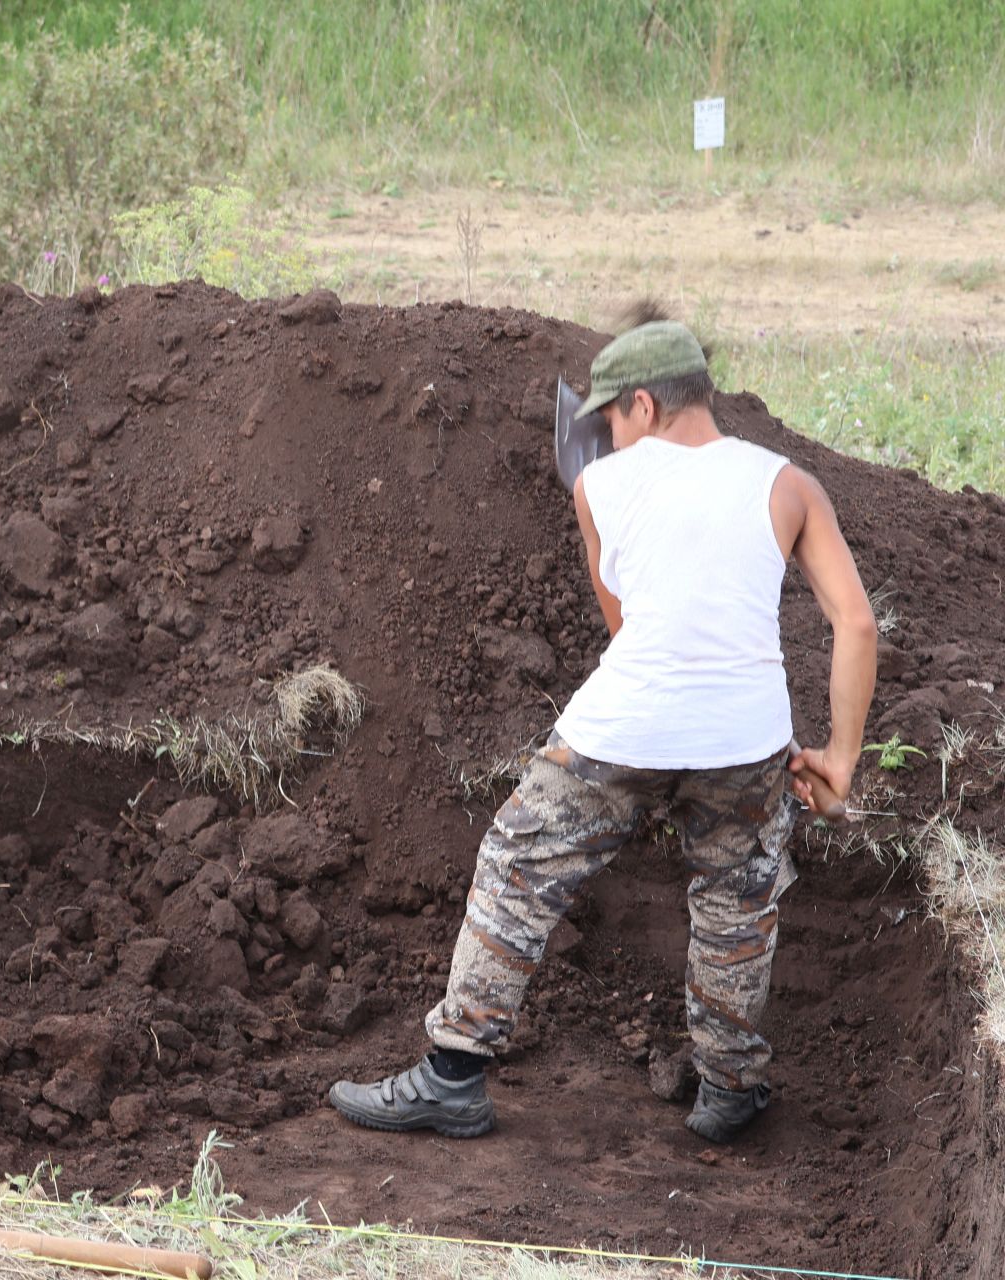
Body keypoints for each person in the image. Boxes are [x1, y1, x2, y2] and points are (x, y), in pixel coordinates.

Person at [329, 317, 877, 1143]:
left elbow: (625, 629)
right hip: (747, 738)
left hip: (623, 728)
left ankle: (453, 1078)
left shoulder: (598, 487)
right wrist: (839, 758)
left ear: (644, 406)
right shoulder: (788, 484)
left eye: (612, 418)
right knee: (736, 902)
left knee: (516, 865)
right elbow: (857, 625)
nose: (609, 435)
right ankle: (729, 1091)